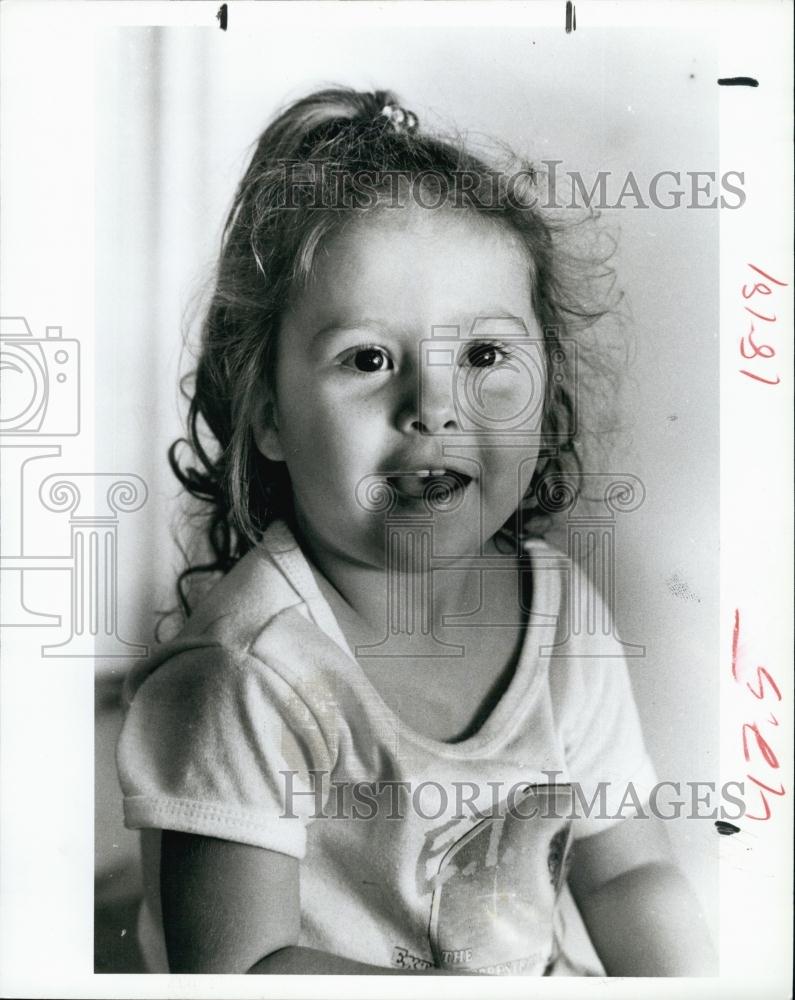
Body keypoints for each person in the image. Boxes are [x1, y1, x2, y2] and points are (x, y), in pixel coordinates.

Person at [116, 87, 716, 976]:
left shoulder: (561, 618)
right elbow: (243, 972)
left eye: (482, 357)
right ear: (268, 413)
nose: (433, 406)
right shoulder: (247, 675)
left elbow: (630, 870)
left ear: (545, 402)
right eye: (367, 359)